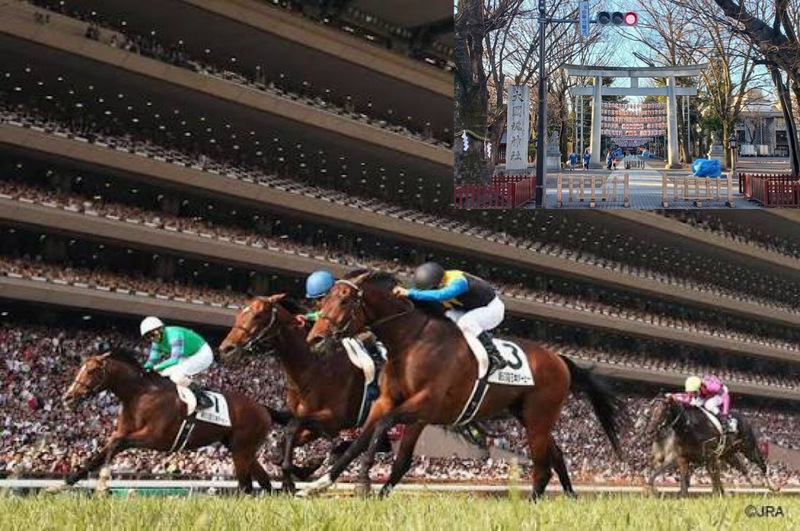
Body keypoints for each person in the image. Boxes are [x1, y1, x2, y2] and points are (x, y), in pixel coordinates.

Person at [393, 262, 507, 373]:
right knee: (446, 319)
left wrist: (410, 293)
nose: (432, 292)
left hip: (492, 309)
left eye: (433, 289)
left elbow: (443, 294)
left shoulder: (458, 280)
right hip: (468, 309)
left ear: (441, 281)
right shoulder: (437, 281)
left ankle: (495, 357)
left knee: (466, 323)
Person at [140, 316, 214, 410]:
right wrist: (141, 369)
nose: (152, 338)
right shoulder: (156, 341)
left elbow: (175, 359)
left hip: (202, 353)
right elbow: (152, 361)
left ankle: (203, 398)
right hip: (187, 355)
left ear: (161, 329)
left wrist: (156, 368)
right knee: (164, 374)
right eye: (148, 336)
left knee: (176, 376)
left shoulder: (174, 334)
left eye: (153, 335)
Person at [669, 375, 735, 432]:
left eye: (694, 392)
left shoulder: (711, 386)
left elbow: (726, 396)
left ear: (700, 387)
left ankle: (725, 420)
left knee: (708, 404)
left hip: (720, 394)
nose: (692, 395)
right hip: (707, 395)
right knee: (694, 403)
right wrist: (673, 395)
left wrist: (725, 413)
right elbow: (685, 397)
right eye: (691, 392)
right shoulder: (695, 389)